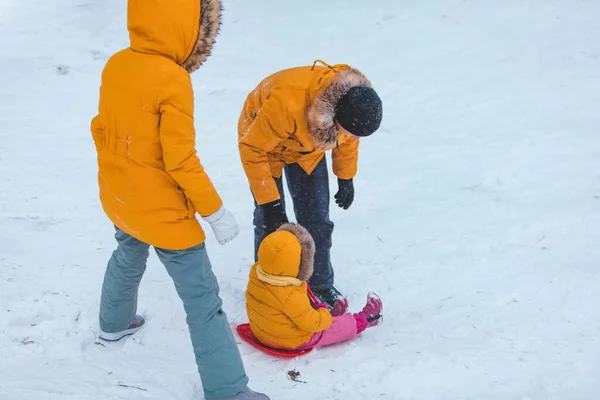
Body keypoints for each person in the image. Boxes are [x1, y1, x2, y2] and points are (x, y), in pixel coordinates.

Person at [90, 0, 268, 399]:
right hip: (166, 215)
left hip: (122, 197)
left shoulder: (117, 63)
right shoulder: (172, 79)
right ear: (189, 25)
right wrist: (215, 212)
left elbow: (101, 128)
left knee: (127, 252)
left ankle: (112, 323)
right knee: (202, 298)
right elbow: (181, 160)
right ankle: (227, 389)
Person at [237, 60, 383, 315]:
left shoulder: (352, 104)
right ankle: (267, 290)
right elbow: (253, 149)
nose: (353, 138)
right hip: (263, 142)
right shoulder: (286, 103)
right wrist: (270, 204)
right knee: (269, 223)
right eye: (350, 132)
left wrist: (345, 177)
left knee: (317, 219)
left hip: (307, 148)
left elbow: (348, 140)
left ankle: (320, 285)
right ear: (335, 115)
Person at [245, 223, 382, 351]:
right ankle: (367, 319)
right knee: (330, 328)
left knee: (293, 310)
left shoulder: (257, 273)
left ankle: (331, 314)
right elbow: (312, 323)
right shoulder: (290, 294)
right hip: (288, 340)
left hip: (262, 331)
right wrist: (323, 313)